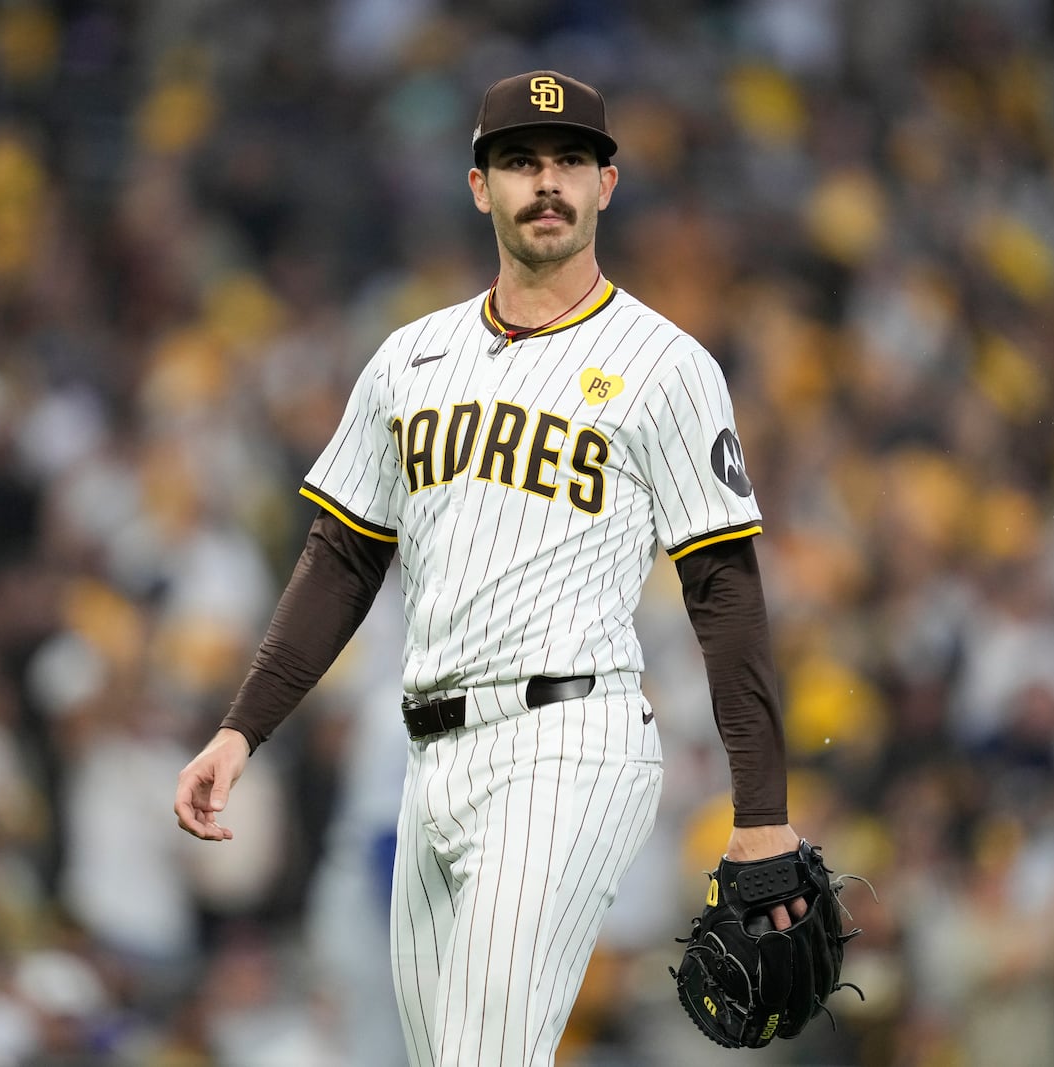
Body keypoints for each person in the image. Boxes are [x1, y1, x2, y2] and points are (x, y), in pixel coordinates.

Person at [174, 69, 806, 1067]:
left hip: (571, 738)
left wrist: (761, 815)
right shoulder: (408, 360)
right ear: (479, 186)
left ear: (607, 182)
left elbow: (724, 590)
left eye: (568, 161)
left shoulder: (666, 363)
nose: (545, 182)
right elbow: (341, 557)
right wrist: (241, 727)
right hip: (429, 760)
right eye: (519, 161)